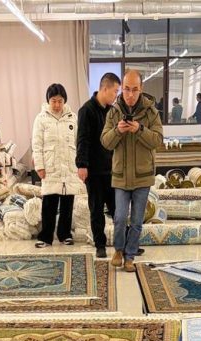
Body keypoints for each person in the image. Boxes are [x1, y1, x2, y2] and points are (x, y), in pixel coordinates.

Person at [101, 69, 163, 273]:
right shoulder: (114, 111)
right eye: (126, 89)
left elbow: (158, 140)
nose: (130, 94)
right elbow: (105, 142)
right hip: (120, 176)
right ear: (122, 89)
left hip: (143, 177)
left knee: (136, 221)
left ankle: (130, 257)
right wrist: (118, 131)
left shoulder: (151, 112)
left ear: (141, 89)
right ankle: (118, 250)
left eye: (134, 90)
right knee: (119, 218)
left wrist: (140, 130)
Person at [32, 84, 83, 248]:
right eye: (53, 101)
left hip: (69, 166)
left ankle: (64, 234)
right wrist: (39, 166)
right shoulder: (41, 118)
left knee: (68, 203)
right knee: (49, 203)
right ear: (48, 101)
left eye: (60, 101)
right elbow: (37, 144)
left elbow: (79, 142)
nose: (56, 104)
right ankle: (46, 237)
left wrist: (81, 164)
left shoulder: (72, 118)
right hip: (50, 167)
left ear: (64, 101)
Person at [77, 72, 121, 259]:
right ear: (104, 88)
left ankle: (124, 244)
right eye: (115, 91)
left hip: (111, 169)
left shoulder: (112, 111)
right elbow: (83, 139)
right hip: (93, 170)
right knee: (96, 210)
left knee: (117, 210)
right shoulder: (86, 110)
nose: (116, 95)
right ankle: (100, 245)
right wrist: (82, 165)